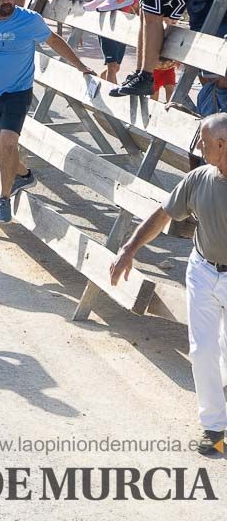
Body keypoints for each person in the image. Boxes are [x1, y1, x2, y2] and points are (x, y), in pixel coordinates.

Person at [110, 112, 227, 454]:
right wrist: (129, 249)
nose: (199, 147)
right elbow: (162, 214)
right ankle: (214, 428)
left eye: (204, 142)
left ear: (223, 145)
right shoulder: (199, 178)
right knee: (202, 350)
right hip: (202, 270)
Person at [0, 0, 96, 223]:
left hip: (18, 93)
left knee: (8, 144)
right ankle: (23, 174)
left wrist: (81, 66)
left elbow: (54, 41)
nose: (6, 0)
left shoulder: (29, 20)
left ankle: (4, 199)